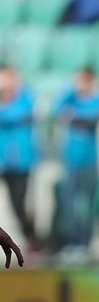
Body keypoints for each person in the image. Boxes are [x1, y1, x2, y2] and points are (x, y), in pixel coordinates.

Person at [51, 67, 99, 262]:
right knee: (69, 206)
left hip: (90, 162)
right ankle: (71, 243)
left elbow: (93, 116)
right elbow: (56, 110)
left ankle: (85, 245)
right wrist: (70, 90)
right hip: (71, 162)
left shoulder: (97, 99)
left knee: (88, 207)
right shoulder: (70, 97)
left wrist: (73, 114)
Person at [0, 66, 39, 253]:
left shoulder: (25, 100)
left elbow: (12, 115)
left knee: (19, 206)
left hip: (19, 164)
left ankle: (32, 240)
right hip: (3, 163)